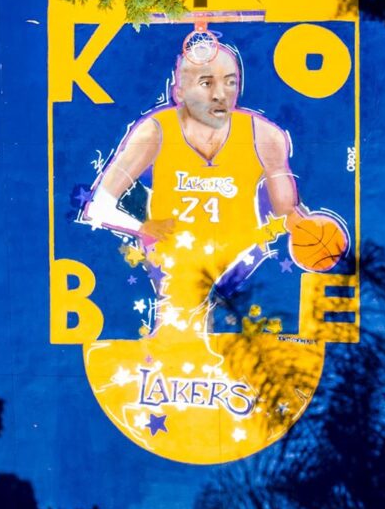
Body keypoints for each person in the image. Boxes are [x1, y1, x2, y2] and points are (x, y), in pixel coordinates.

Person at [80, 32, 312, 322]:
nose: (221, 94)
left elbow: (289, 213)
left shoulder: (265, 136)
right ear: (179, 92)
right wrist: (143, 226)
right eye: (207, 83)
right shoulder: (155, 132)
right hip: (175, 269)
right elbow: (98, 206)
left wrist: (313, 233)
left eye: (230, 82)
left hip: (241, 267)